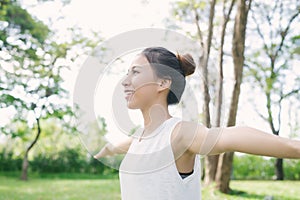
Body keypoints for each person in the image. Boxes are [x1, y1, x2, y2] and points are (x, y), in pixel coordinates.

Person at [93, 47, 300, 200]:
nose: (124, 81)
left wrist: (294, 147)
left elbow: (233, 136)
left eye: (135, 72)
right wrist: (106, 150)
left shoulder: (178, 133)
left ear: (163, 83)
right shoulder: (140, 137)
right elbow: (125, 144)